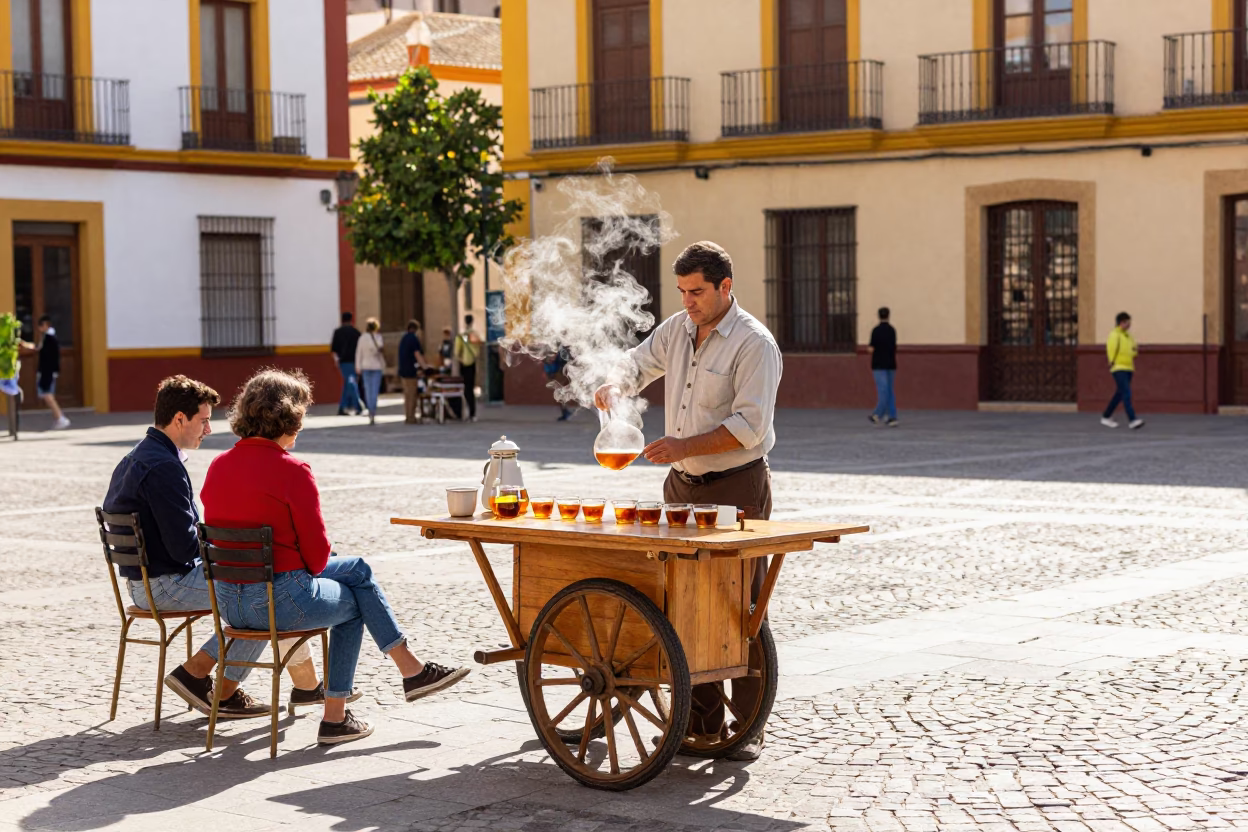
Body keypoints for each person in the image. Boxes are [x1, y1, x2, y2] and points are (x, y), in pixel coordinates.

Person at [201, 369, 470, 746]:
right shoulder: (293, 472)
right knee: (357, 594)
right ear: (289, 416)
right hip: (279, 600)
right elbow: (314, 560)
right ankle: (341, 714)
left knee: (356, 571)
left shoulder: (217, 466)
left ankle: (410, 672)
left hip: (230, 603)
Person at [593, 241, 782, 762]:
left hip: (736, 487)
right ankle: (700, 724)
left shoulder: (754, 344)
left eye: (696, 291)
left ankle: (747, 727)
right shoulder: (677, 329)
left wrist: (684, 446)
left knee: (741, 604)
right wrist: (613, 385)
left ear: (726, 286)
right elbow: (636, 364)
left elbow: (749, 428)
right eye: (681, 291)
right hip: (679, 489)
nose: (688, 301)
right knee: (684, 602)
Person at [102, 375, 331, 719]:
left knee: (261, 580)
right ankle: (201, 678)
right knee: (261, 588)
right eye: (204, 419)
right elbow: (183, 550)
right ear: (179, 419)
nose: (209, 429)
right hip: (165, 585)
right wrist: (226, 545)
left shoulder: (137, 456)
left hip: (142, 582)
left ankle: (307, 685)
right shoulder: (164, 466)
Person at [20, 315, 69, 429]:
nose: (39, 328)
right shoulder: (47, 337)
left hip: (48, 371)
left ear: (46, 325)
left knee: (47, 395)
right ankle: (58, 418)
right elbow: (39, 348)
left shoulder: (50, 338)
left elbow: (48, 355)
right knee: (47, 394)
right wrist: (26, 345)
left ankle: (60, 418)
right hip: (47, 370)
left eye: (41, 326)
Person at [1102, 311, 1144, 430]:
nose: (1129, 325)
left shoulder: (1128, 335)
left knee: (1119, 394)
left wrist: (1135, 350)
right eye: (1127, 322)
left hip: (1129, 367)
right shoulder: (1114, 335)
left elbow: (1134, 349)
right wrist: (1111, 361)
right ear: (1121, 322)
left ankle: (1106, 416)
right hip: (1118, 367)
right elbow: (1111, 348)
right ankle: (1132, 420)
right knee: (1126, 393)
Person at [868, 307, 898, 427]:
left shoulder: (875, 331)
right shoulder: (892, 330)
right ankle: (892, 417)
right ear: (888, 316)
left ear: (878, 316)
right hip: (891, 363)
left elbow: (871, 348)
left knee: (882, 391)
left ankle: (877, 414)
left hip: (878, 364)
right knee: (890, 391)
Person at [331, 312, 363, 417]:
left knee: (348, 383)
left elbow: (334, 349)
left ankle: (342, 407)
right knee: (351, 383)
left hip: (343, 362)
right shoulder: (356, 332)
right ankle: (358, 406)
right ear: (351, 319)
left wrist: (336, 360)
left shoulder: (337, 332)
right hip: (354, 361)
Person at [355, 317, 386, 426]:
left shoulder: (362, 338)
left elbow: (359, 353)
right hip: (377, 366)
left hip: (365, 367)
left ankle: (370, 411)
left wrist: (358, 367)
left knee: (368, 390)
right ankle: (373, 411)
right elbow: (380, 349)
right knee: (375, 391)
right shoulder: (378, 337)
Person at [398, 320, 429, 425]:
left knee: (407, 395)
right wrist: (425, 367)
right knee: (412, 395)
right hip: (411, 370)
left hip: (403, 370)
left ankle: (408, 415)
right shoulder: (414, 339)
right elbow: (417, 354)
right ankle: (411, 418)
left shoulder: (404, 338)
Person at [454, 315, 482, 422]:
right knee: (470, 388)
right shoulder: (474, 334)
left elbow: (457, 353)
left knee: (466, 390)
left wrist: (461, 359)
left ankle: (467, 412)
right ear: (472, 321)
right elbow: (478, 346)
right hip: (472, 364)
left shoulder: (461, 336)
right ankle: (472, 413)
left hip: (464, 365)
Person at [544, 347, 574, 421]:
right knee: (560, 396)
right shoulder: (548, 364)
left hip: (560, 375)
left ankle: (565, 411)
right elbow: (549, 374)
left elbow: (561, 370)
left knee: (561, 395)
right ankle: (565, 411)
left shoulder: (559, 359)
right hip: (557, 376)